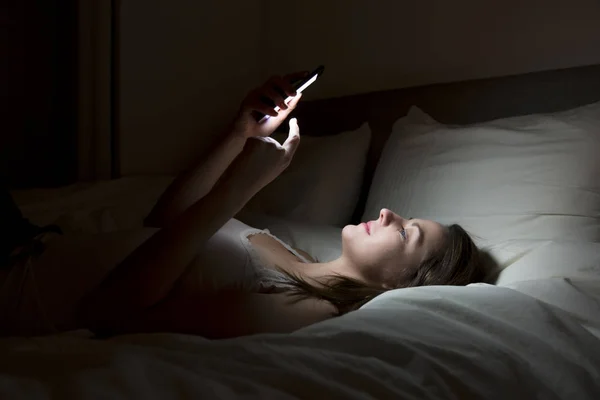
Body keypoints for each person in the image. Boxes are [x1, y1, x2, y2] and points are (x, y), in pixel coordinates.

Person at [0, 72, 485, 339]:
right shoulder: (289, 255)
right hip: (27, 242)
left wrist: (237, 190)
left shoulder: (307, 311)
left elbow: (109, 313)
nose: (387, 214)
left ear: (402, 285)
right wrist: (240, 135)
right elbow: (163, 228)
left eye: (406, 232)